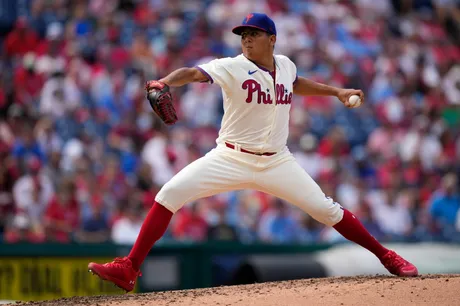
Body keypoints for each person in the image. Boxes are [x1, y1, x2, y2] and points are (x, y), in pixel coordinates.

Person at [88, 13, 418, 292]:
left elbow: (296, 83)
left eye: (254, 34)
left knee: (326, 210)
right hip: (229, 157)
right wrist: (164, 81)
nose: (246, 39)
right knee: (169, 193)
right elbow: (192, 72)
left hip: (277, 161)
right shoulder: (231, 66)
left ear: (271, 39)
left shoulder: (285, 66)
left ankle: (386, 256)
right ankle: (129, 266)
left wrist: (336, 92)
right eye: (243, 34)